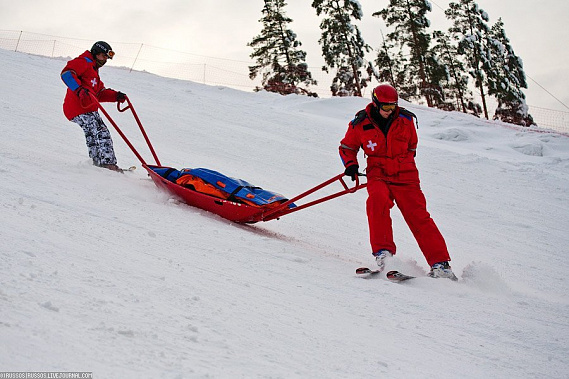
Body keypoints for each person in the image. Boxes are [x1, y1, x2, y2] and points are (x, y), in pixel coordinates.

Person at [339, 84, 457, 280]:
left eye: (393, 107)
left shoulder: (406, 120)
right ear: (375, 104)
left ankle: (441, 265)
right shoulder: (360, 123)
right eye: (386, 108)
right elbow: (346, 147)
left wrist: (403, 163)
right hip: (377, 174)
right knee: (377, 202)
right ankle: (383, 255)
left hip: (406, 176)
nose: (390, 111)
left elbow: (412, 146)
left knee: (419, 215)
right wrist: (351, 164)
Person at [61, 41, 127, 172]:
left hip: (89, 108)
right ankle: (107, 163)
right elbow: (67, 74)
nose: (105, 60)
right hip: (78, 107)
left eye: (106, 58)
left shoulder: (93, 70)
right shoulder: (83, 61)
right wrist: (79, 90)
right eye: (103, 56)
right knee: (101, 132)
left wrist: (116, 96)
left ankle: (98, 162)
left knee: (93, 132)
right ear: (96, 53)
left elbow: (99, 93)